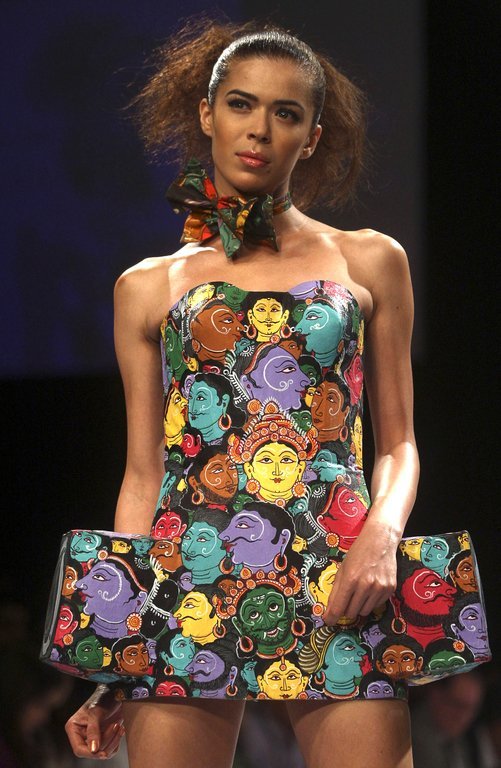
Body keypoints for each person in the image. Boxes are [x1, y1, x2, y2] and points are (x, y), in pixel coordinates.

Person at [64, 17, 418, 768]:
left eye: (285, 113)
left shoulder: (369, 260)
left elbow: (398, 443)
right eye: (240, 104)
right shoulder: (147, 286)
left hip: (342, 575)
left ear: (311, 137)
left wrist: (382, 534)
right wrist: (119, 652)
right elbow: (143, 474)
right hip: (187, 578)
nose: (259, 129)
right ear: (207, 114)